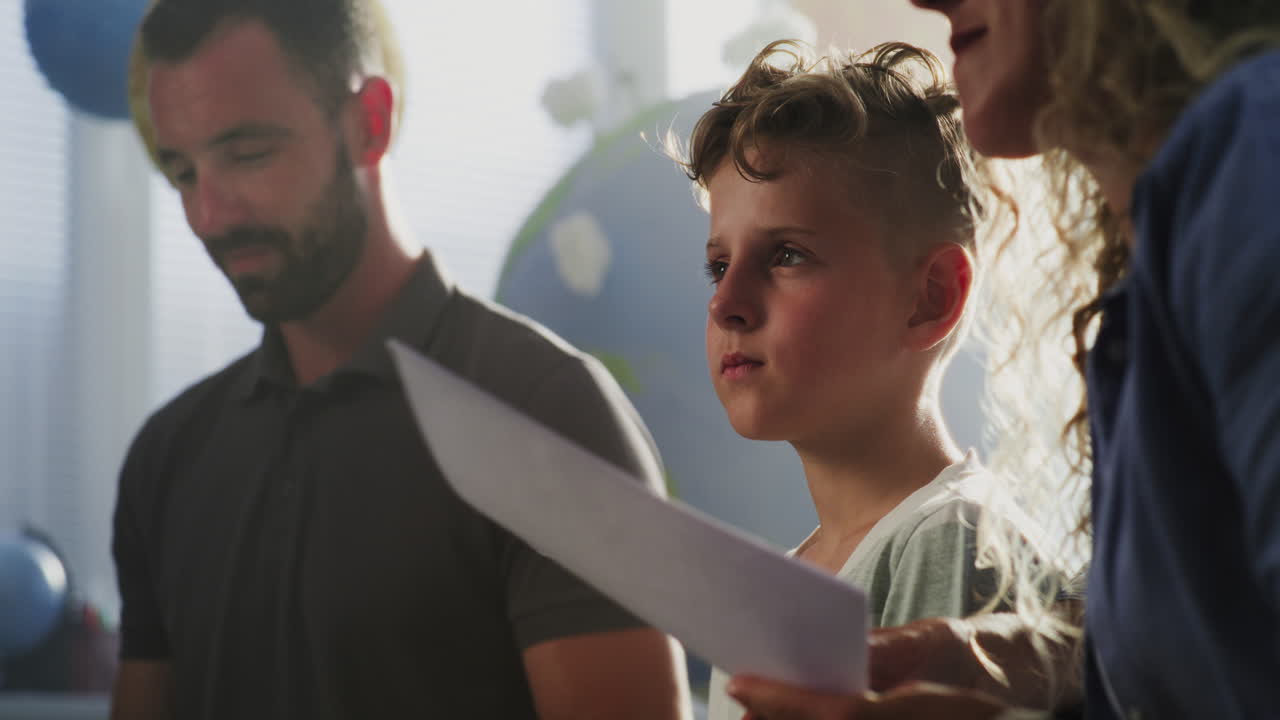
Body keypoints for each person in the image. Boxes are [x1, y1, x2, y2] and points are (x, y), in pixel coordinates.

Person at [109, 1, 691, 718]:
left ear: (369, 123)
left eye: (249, 153)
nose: (209, 215)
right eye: (182, 172)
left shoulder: (543, 412)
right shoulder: (168, 456)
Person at [724, 1, 1280, 718]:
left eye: (789, 255)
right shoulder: (1162, 267)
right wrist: (988, 658)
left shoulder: (1256, 167)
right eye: (716, 265)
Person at [671, 40, 1047, 720]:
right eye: (718, 265)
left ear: (930, 298)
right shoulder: (772, 590)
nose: (725, 303)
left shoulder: (950, 539)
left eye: (786, 254)